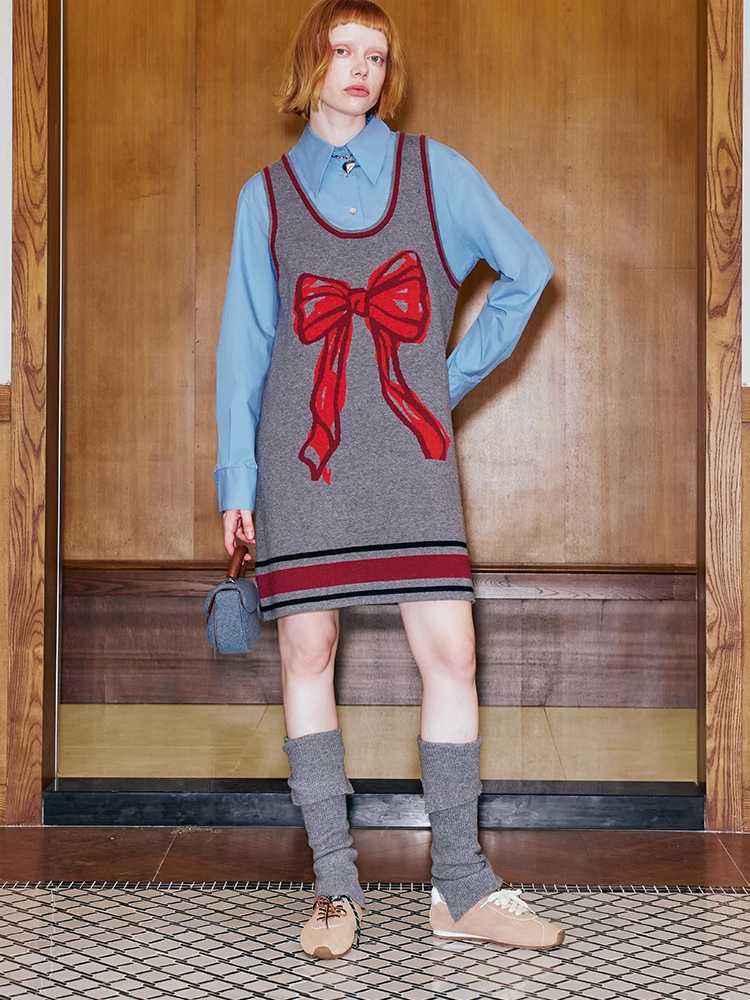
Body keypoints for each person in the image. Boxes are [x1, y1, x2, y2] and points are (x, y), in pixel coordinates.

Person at [214, 0, 563, 959]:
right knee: (307, 653)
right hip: (304, 459)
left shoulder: (434, 171)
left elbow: (528, 271)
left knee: (452, 652)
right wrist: (236, 479)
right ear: (311, 63)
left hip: (412, 454)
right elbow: (245, 348)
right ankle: (335, 887)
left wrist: (443, 380)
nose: (362, 68)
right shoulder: (265, 197)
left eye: (377, 53)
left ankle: (461, 884)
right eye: (343, 50)